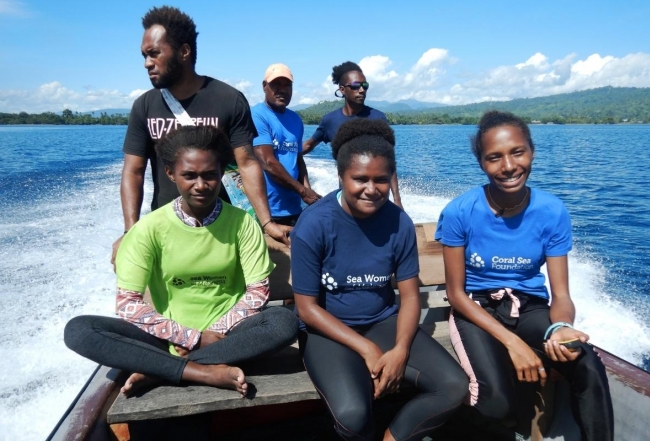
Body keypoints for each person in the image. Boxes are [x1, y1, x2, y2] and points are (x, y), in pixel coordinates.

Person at [65, 126, 298, 396]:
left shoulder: (242, 223)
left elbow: (258, 292)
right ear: (170, 174)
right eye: (189, 175)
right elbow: (129, 304)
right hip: (163, 336)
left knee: (284, 321)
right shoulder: (148, 228)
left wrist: (213, 333)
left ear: (221, 173)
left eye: (210, 175)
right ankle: (201, 372)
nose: (201, 185)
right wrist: (192, 338)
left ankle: (162, 370)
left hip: (228, 335)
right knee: (80, 330)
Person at [435, 110, 614, 440]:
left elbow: (560, 295)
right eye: (494, 157)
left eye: (517, 152)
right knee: (496, 402)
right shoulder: (461, 211)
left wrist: (560, 328)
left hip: (529, 308)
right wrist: (513, 343)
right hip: (477, 310)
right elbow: (456, 294)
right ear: (481, 163)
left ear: (531, 151)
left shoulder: (552, 211)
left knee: (586, 363)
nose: (508, 166)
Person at [292, 119, 468, 441]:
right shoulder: (315, 223)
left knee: (454, 386)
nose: (371, 190)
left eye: (381, 180)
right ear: (341, 176)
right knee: (353, 416)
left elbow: (411, 297)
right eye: (360, 179)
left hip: (382, 322)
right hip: (328, 330)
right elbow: (306, 308)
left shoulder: (398, 223)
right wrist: (366, 348)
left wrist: (400, 349)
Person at [112, 6, 291, 268]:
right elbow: (133, 171)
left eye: (154, 54)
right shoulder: (145, 106)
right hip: (166, 230)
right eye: (144, 55)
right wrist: (131, 231)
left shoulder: (228, 100)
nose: (147, 63)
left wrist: (266, 223)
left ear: (184, 52)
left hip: (225, 231)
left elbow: (247, 163)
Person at [302, 61, 403, 209]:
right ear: (342, 89)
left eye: (365, 86)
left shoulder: (378, 118)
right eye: (356, 86)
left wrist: (397, 200)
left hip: (375, 197)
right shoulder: (330, 120)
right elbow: (307, 146)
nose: (362, 90)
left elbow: (389, 161)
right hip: (348, 198)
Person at [251, 63, 320, 227]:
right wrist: (303, 192)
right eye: (276, 84)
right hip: (266, 212)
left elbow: (298, 160)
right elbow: (268, 162)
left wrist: (309, 193)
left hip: (294, 208)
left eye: (287, 85)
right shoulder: (257, 115)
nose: (282, 89)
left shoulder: (296, 119)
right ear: (264, 86)